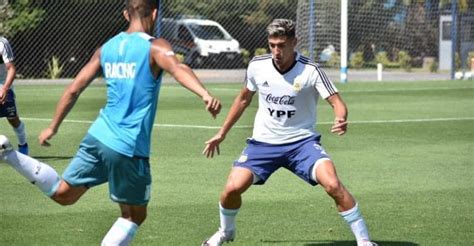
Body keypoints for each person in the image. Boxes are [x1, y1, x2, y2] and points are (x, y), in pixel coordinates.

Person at [0, 0, 221, 245]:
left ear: (127, 14)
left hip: (98, 135)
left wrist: (53, 126)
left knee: (63, 193)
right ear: (155, 13)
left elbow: (74, 89)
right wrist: (204, 94)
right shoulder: (155, 47)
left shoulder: (107, 48)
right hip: (128, 146)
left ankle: (9, 155)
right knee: (133, 215)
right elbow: (178, 68)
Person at [201, 19, 376, 246]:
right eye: (272, 44)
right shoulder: (257, 65)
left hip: (301, 144)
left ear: (294, 42)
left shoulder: (311, 70)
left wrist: (341, 118)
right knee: (231, 189)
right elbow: (243, 99)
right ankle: (225, 232)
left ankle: (364, 241)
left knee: (332, 184)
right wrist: (222, 133)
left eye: (282, 45)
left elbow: (337, 102)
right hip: (262, 144)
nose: (276, 51)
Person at [0, 36, 28, 155]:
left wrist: (5, 88)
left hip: (3, 83)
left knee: (13, 119)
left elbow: (11, 69)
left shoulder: (2, 43)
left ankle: (23, 145)